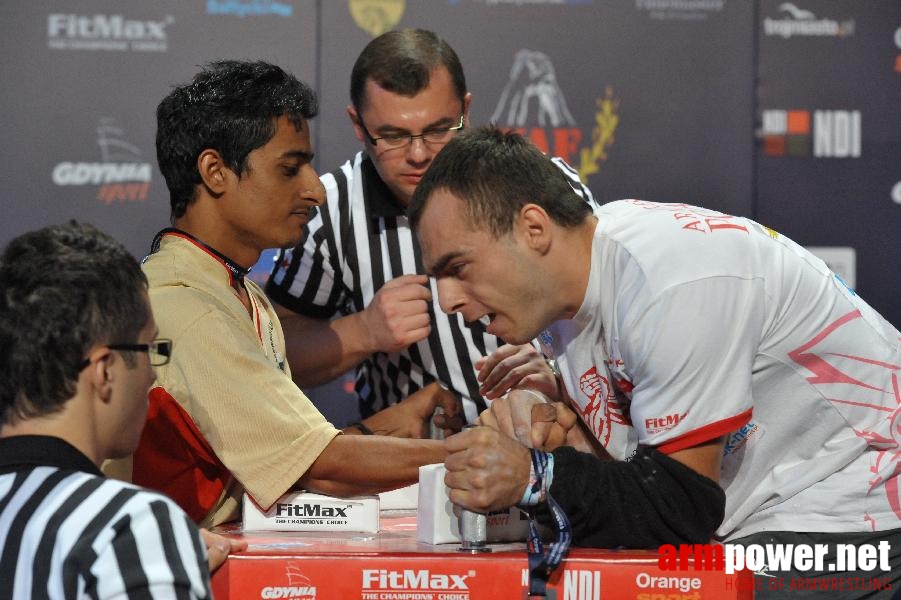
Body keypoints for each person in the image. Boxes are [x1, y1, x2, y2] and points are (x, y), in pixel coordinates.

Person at [409, 127, 901, 596]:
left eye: (457, 268)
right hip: (769, 513)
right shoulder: (566, 299)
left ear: (533, 228)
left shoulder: (671, 278)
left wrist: (536, 474)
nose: (447, 300)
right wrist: (560, 429)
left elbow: (679, 506)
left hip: (864, 503)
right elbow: (638, 474)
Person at [130, 59, 447, 529]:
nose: (315, 190)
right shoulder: (185, 306)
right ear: (215, 172)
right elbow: (320, 466)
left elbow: (284, 458)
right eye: (289, 168)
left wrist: (390, 425)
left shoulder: (239, 293)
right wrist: (474, 453)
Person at [266, 29, 594, 431]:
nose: (419, 154)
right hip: (413, 472)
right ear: (357, 122)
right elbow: (274, 351)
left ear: (466, 111)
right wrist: (363, 331)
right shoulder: (327, 210)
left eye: (439, 129)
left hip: (553, 453)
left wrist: (559, 376)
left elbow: (603, 315)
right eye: (393, 135)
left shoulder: (545, 184)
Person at [0, 222, 242, 599]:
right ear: (104, 370)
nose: (151, 374)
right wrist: (156, 556)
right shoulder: (130, 529)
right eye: (148, 349)